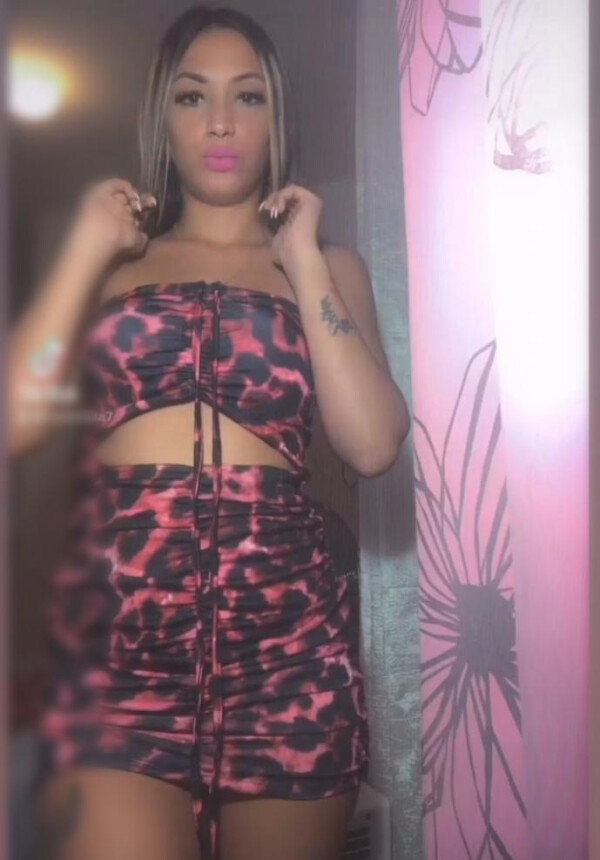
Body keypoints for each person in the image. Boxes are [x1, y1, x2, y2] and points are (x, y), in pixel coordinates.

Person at [9, 5, 411, 859]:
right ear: (164, 117)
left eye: (248, 96)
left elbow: (373, 444)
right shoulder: (117, 264)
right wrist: (83, 248)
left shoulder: (329, 268)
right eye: (194, 97)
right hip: (118, 657)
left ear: (276, 115)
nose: (221, 122)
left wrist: (304, 259)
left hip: (290, 661)